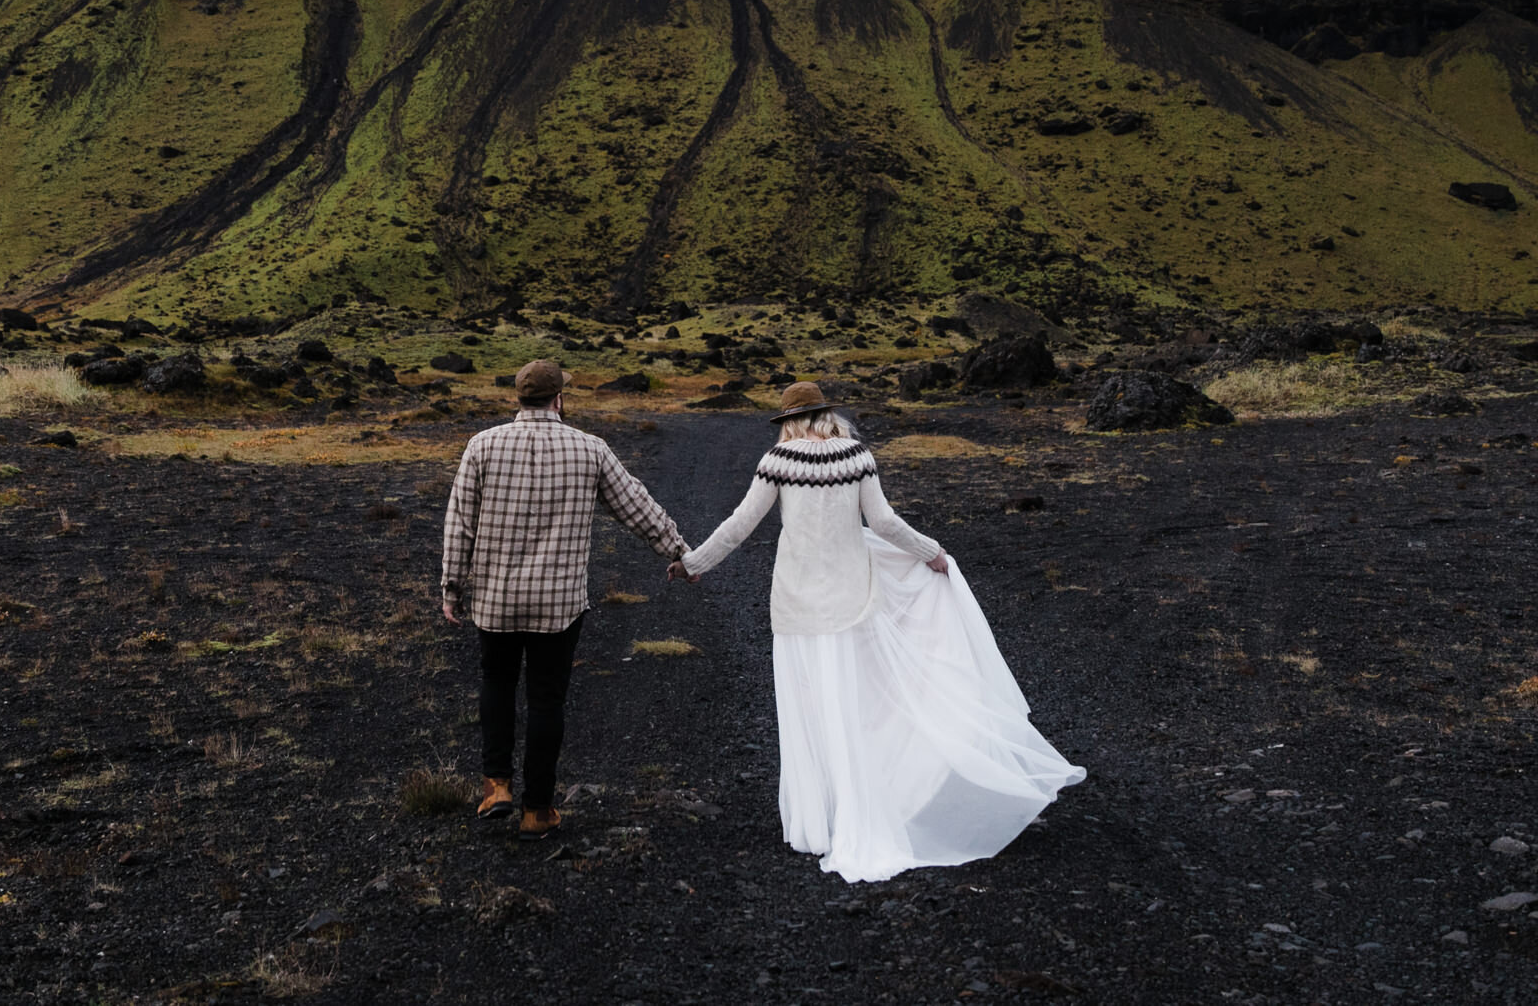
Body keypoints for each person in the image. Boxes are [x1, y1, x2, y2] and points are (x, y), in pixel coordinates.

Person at [672, 380, 1085, 882]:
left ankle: (820, 825)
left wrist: (696, 563)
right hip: (854, 599)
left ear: (788, 422)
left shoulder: (776, 463)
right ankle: (879, 801)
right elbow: (885, 523)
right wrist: (933, 553)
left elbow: (740, 525)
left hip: (797, 604)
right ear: (827, 415)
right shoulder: (857, 456)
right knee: (861, 705)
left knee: (812, 709)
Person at [440, 357, 688, 838]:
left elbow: (460, 522)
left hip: (496, 599)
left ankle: (497, 788)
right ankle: (538, 809)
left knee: (496, 680)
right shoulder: (590, 448)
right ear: (560, 399)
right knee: (547, 698)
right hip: (558, 603)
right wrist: (680, 553)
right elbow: (636, 506)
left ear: (520, 397)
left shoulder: (482, 445)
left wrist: (452, 586)